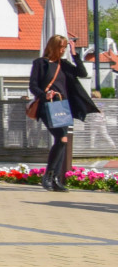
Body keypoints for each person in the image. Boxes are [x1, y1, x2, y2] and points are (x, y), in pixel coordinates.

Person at [29, 35, 98, 191]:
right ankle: (48, 176)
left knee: (62, 141)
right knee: (62, 137)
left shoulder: (64, 64)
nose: (62, 50)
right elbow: (33, 85)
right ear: (53, 47)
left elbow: (81, 72)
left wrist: (75, 54)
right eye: (60, 47)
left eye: (64, 47)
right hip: (48, 106)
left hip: (63, 107)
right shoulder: (41, 63)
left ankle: (55, 179)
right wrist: (43, 95)